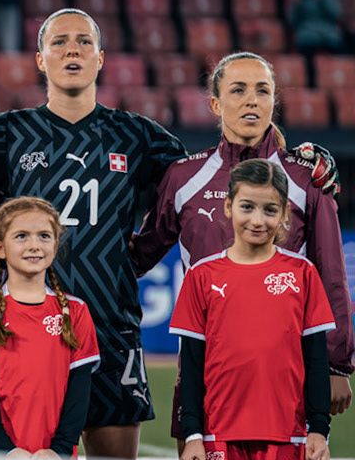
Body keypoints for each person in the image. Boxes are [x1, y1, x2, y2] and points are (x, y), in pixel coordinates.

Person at [0, 9, 190, 460]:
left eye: (84, 41)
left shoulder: (136, 134)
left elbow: (197, 183)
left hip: (111, 323)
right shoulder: (5, 133)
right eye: (60, 41)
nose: (72, 49)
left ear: (101, 58)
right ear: (39, 59)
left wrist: (139, 254)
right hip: (27, 330)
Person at [132, 51, 352, 415]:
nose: (252, 99)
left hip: (285, 367)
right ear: (216, 104)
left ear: (273, 102)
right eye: (238, 90)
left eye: (262, 90)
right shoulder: (183, 177)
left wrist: (335, 363)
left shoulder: (306, 177)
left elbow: (331, 275)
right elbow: (140, 256)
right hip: (203, 368)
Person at [171, 158, 334, 460]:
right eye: (247, 207)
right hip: (219, 433)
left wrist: (319, 430)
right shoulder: (201, 275)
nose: (258, 220)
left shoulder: (302, 273)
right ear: (229, 206)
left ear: (285, 214)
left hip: (289, 434)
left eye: (270, 210)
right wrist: (192, 433)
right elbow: (191, 365)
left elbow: (315, 359)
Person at [0, 198, 99, 457]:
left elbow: (79, 392)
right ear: (0, 247)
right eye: (22, 236)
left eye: (44, 236)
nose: (34, 246)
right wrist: (6, 450)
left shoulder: (75, 311)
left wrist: (60, 450)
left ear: (55, 246)